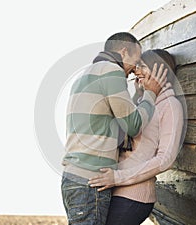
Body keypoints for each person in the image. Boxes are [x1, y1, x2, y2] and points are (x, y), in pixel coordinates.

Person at [61, 33, 168, 225]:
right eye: (136, 61)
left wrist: (137, 95)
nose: (135, 70)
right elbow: (133, 126)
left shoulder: (86, 74)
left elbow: (111, 119)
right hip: (91, 180)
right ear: (124, 51)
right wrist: (151, 94)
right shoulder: (111, 71)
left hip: (73, 177)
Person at [88, 49, 184, 225]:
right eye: (136, 66)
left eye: (142, 67)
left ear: (161, 71)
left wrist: (117, 177)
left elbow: (165, 159)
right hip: (114, 190)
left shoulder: (171, 106)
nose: (136, 71)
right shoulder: (140, 104)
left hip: (134, 198)